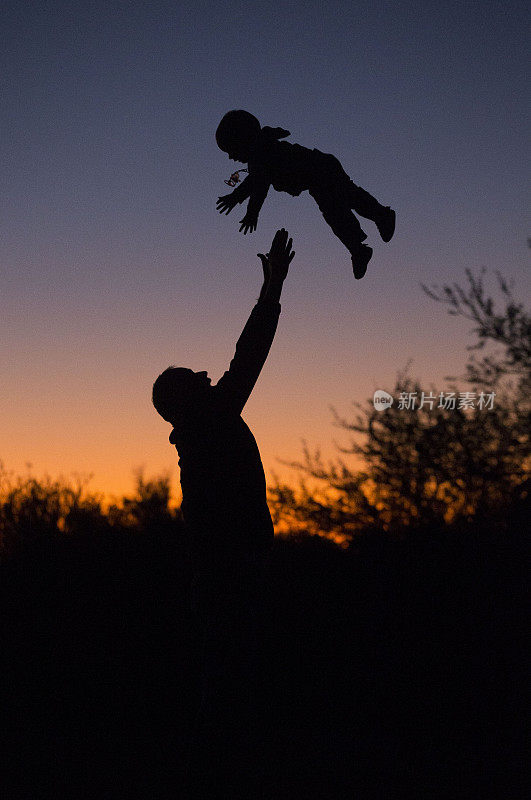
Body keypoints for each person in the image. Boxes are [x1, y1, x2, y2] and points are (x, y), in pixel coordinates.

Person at [152, 229, 295, 798]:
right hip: (232, 570)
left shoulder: (200, 426)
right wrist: (271, 291)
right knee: (235, 676)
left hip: (228, 568)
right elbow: (249, 357)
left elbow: (241, 362)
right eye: (194, 378)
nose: (206, 375)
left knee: (231, 674)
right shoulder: (209, 423)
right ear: (185, 398)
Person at [215, 109, 395, 280]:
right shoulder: (260, 154)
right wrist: (248, 209)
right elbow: (258, 184)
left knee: (343, 206)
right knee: (340, 209)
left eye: (232, 150)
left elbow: (257, 183)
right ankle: (366, 238)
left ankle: (370, 231)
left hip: (321, 170)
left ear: (243, 140)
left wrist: (241, 203)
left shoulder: (263, 153)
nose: (231, 157)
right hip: (317, 177)